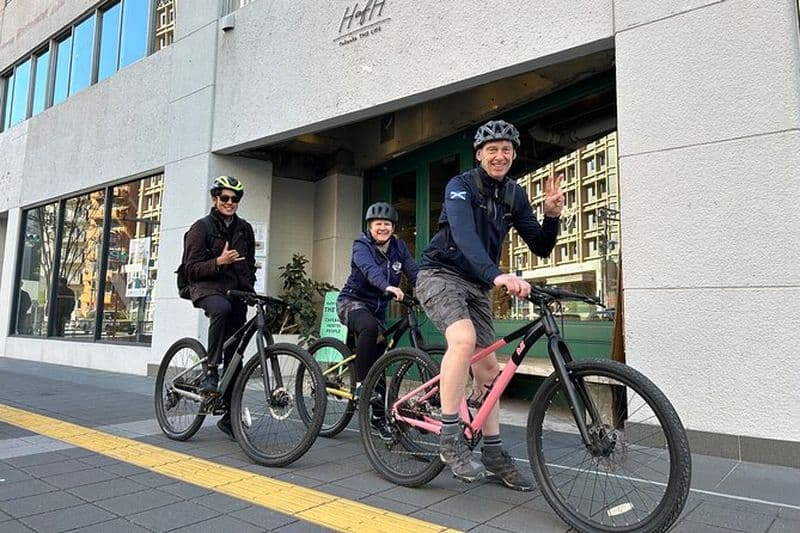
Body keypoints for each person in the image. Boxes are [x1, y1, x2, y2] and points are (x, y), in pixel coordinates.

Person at [416, 119, 564, 490]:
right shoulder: (460, 186)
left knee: (488, 370)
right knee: (463, 341)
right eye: (492, 149)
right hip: (440, 274)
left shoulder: (515, 194)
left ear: (513, 155)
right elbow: (465, 236)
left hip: (478, 283)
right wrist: (497, 274)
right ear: (479, 154)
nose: (500, 156)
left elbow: (541, 246)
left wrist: (552, 215)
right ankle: (450, 438)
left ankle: (495, 453)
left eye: (507, 150)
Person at [182, 175, 257, 439]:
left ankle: (228, 416)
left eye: (234, 199)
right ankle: (210, 372)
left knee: (237, 354)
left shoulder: (244, 229)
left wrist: (252, 293)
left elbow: (249, 266)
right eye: (224, 197)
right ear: (215, 199)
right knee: (222, 309)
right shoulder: (200, 228)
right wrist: (219, 261)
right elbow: (191, 269)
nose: (229, 202)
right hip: (205, 288)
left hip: (235, 291)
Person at [337, 202, 418, 436]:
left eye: (387, 224)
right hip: (351, 302)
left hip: (377, 309)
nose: (382, 228)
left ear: (393, 227)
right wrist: (388, 286)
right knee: (369, 328)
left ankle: (379, 418)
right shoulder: (361, 245)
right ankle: (362, 385)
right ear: (370, 226)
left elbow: (413, 272)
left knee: (379, 362)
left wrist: (427, 292)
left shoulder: (399, 247)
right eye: (378, 224)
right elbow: (369, 270)